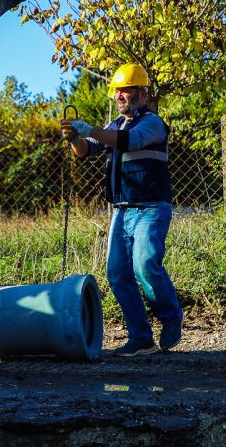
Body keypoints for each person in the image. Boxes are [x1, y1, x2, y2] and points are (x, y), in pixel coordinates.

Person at [61, 63, 183, 356]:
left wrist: (89, 129)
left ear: (142, 93)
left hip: (151, 208)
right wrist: (75, 137)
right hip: (122, 210)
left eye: (125, 90)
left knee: (145, 266)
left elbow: (129, 142)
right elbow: (87, 150)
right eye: (117, 90)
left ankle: (171, 318)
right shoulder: (116, 125)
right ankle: (141, 338)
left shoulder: (153, 123)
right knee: (117, 274)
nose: (119, 95)